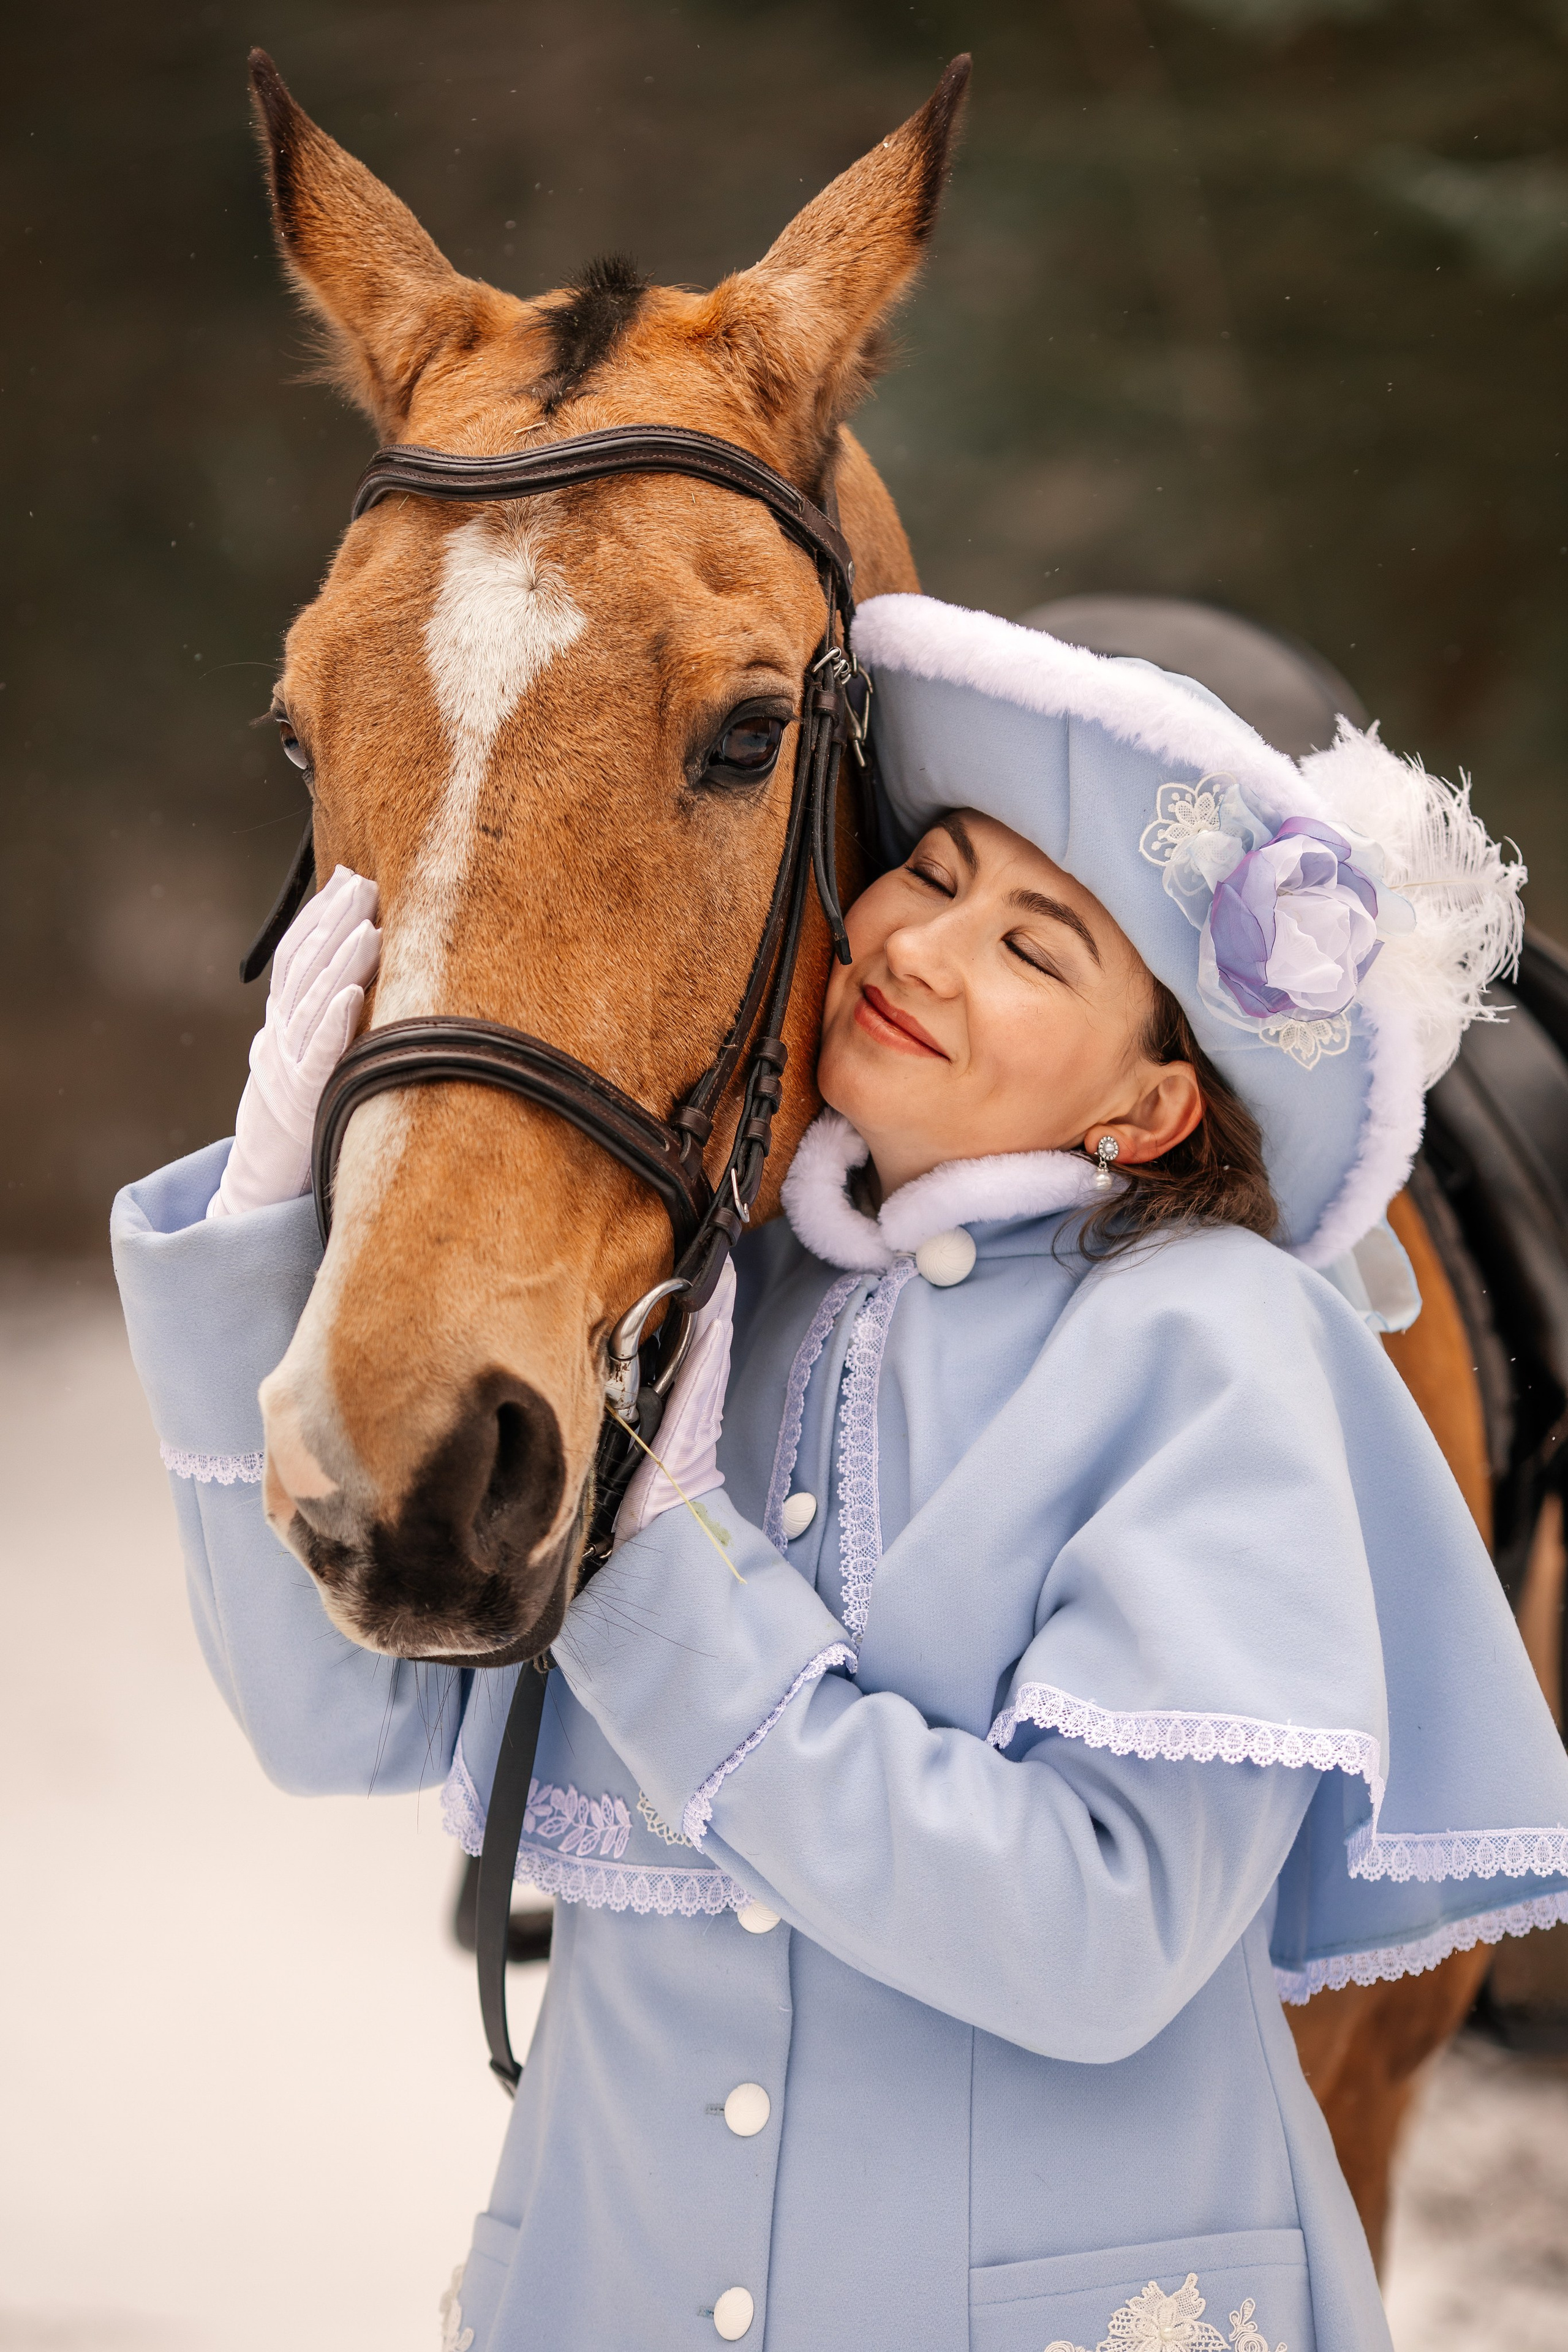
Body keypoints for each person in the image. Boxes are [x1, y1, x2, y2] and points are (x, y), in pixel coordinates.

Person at [113, 593, 1568, 2352]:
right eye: (936, 871)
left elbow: (1097, 1937)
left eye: (1039, 951)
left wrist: (668, 1604)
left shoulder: (1220, 1350)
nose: (926, 948)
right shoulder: (694, 1293)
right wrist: (258, 1252)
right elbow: (336, 1726)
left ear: (1154, 1105)